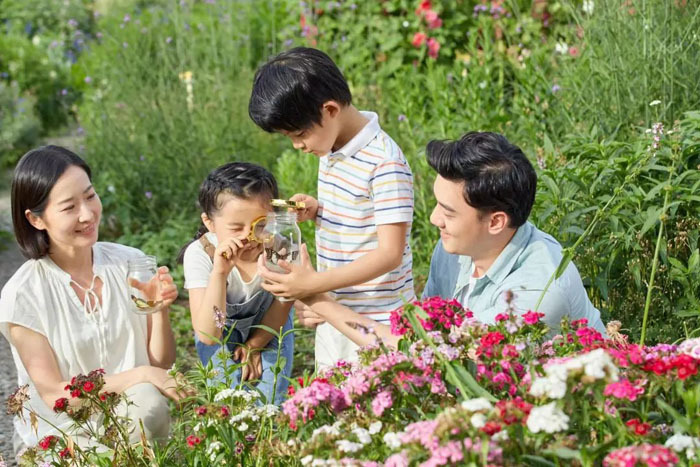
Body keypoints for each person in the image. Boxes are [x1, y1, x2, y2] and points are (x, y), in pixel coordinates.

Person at [262, 132, 606, 349]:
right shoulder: (458, 247)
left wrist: (319, 299)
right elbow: (424, 330)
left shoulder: (537, 294)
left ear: (497, 222)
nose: (433, 220)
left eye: (449, 212)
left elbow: (422, 356)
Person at [0, 146, 182, 455]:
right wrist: (141, 374)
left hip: (135, 420)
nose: (87, 214)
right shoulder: (23, 294)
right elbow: (56, 395)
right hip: (65, 438)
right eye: (69, 207)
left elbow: (160, 363)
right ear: (36, 219)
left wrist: (159, 311)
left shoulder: (130, 263)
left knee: (148, 403)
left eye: (90, 196)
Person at [248, 47, 415, 368]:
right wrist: (317, 209)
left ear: (330, 110)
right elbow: (358, 211)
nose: (298, 146)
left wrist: (311, 285)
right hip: (334, 308)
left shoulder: (384, 163)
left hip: (377, 317)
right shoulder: (332, 147)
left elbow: (389, 253)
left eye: (299, 135)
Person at [180, 162, 294, 404]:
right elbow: (208, 335)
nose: (249, 236)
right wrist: (219, 273)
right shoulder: (200, 254)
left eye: (261, 225)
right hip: (218, 330)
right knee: (228, 401)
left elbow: (283, 306)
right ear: (209, 223)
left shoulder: (279, 247)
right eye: (235, 228)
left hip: (270, 326)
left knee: (270, 400)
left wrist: (255, 344)